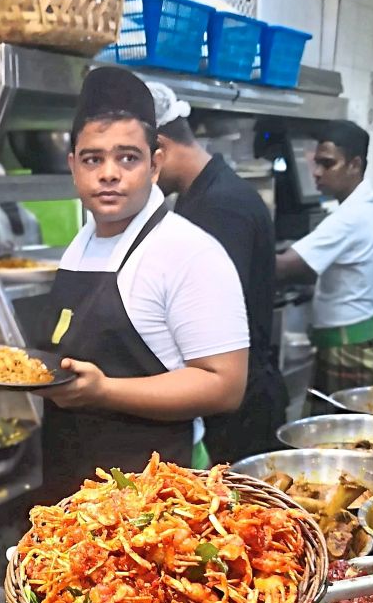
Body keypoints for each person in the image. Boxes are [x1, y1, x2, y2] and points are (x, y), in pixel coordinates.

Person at [36, 66, 249, 499]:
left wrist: (104, 391)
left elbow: (225, 385)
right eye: (93, 159)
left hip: (156, 500)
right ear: (73, 166)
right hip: (74, 487)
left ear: (154, 165)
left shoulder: (189, 252)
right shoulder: (81, 244)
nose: (109, 173)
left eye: (127, 158)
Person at [148, 81, 287, 463]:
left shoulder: (218, 207)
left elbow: (211, 321)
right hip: (240, 401)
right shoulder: (205, 195)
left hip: (238, 413)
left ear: (159, 147)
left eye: (133, 158)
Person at [275, 120, 373, 400]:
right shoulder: (365, 208)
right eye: (315, 163)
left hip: (348, 352)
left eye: (327, 164)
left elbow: (285, 268)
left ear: (354, 164)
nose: (316, 173)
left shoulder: (351, 217)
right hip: (357, 343)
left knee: (343, 442)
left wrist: (229, 253)